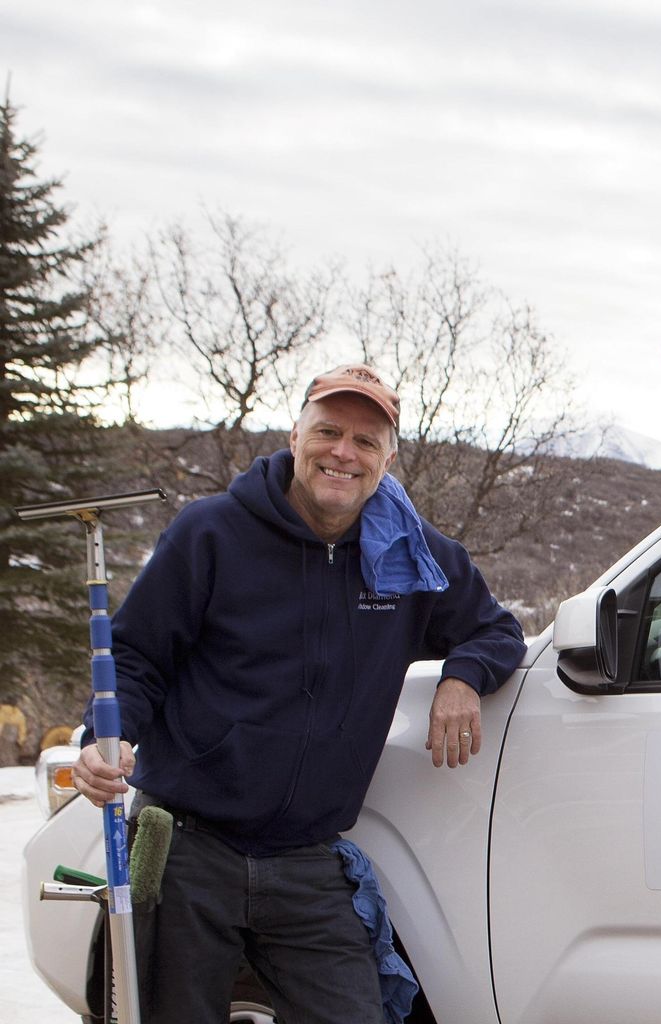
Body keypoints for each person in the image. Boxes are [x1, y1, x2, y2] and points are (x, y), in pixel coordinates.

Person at [71, 364, 527, 1024]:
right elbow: (138, 655)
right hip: (191, 848)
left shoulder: (407, 552)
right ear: (295, 435)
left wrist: (463, 677)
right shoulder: (211, 533)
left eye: (366, 441)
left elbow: (495, 627)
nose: (344, 453)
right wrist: (106, 740)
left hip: (306, 858)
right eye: (329, 431)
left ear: (387, 458)